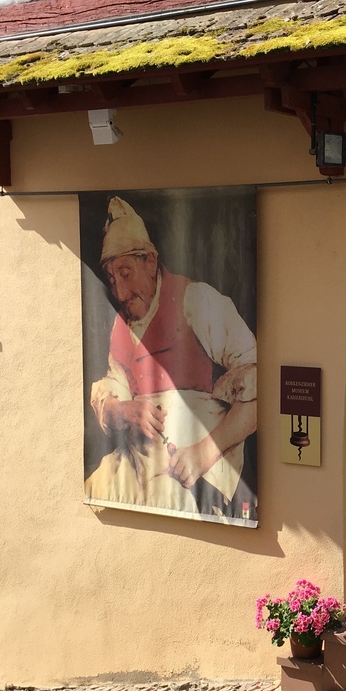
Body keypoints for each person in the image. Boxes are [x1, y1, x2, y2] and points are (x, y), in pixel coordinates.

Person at [84, 196, 257, 522]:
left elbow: (259, 385)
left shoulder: (196, 301)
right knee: (92, 492)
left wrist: (202, 454)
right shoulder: (122, 325)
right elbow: (109, 393)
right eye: (112, 279)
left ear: (150, 262)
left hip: (193, 467)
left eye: (125, 273)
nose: (119, 292)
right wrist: (126, 410)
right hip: (136, 462)